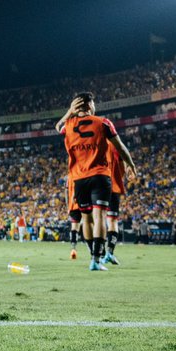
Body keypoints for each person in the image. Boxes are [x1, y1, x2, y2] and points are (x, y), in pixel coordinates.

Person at [57, 93, 138, 271]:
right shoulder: (103, 122)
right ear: (90, 105)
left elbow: (58, 127)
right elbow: (120, 147)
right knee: (100, 216)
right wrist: (130, 164)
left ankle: (93, 256)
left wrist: (69, 112)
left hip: (78, 178)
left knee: (86, 218)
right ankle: (96, 260)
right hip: (100, 176)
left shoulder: (68, 126)